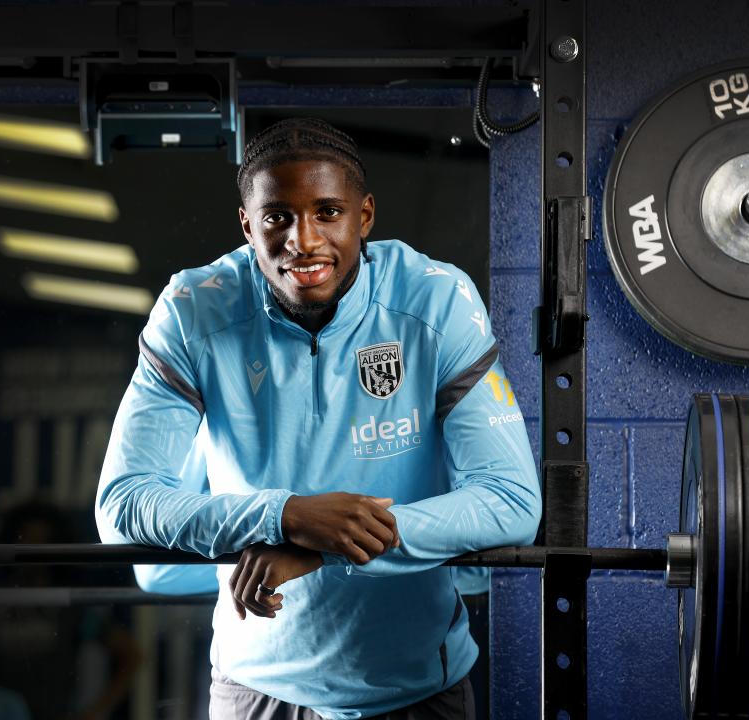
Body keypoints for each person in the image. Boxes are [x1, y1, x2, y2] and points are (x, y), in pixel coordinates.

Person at [95, 117, 540, 719]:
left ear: (365, 216)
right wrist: (286, 515)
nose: (303, 240)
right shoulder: (193, 309)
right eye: (277, 216)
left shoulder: (437, 300)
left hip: (416, 690)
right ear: (247, 225)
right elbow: (122, 507)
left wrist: (321, 546)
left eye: (328, 212)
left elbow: (512, 504)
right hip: (256, 689)